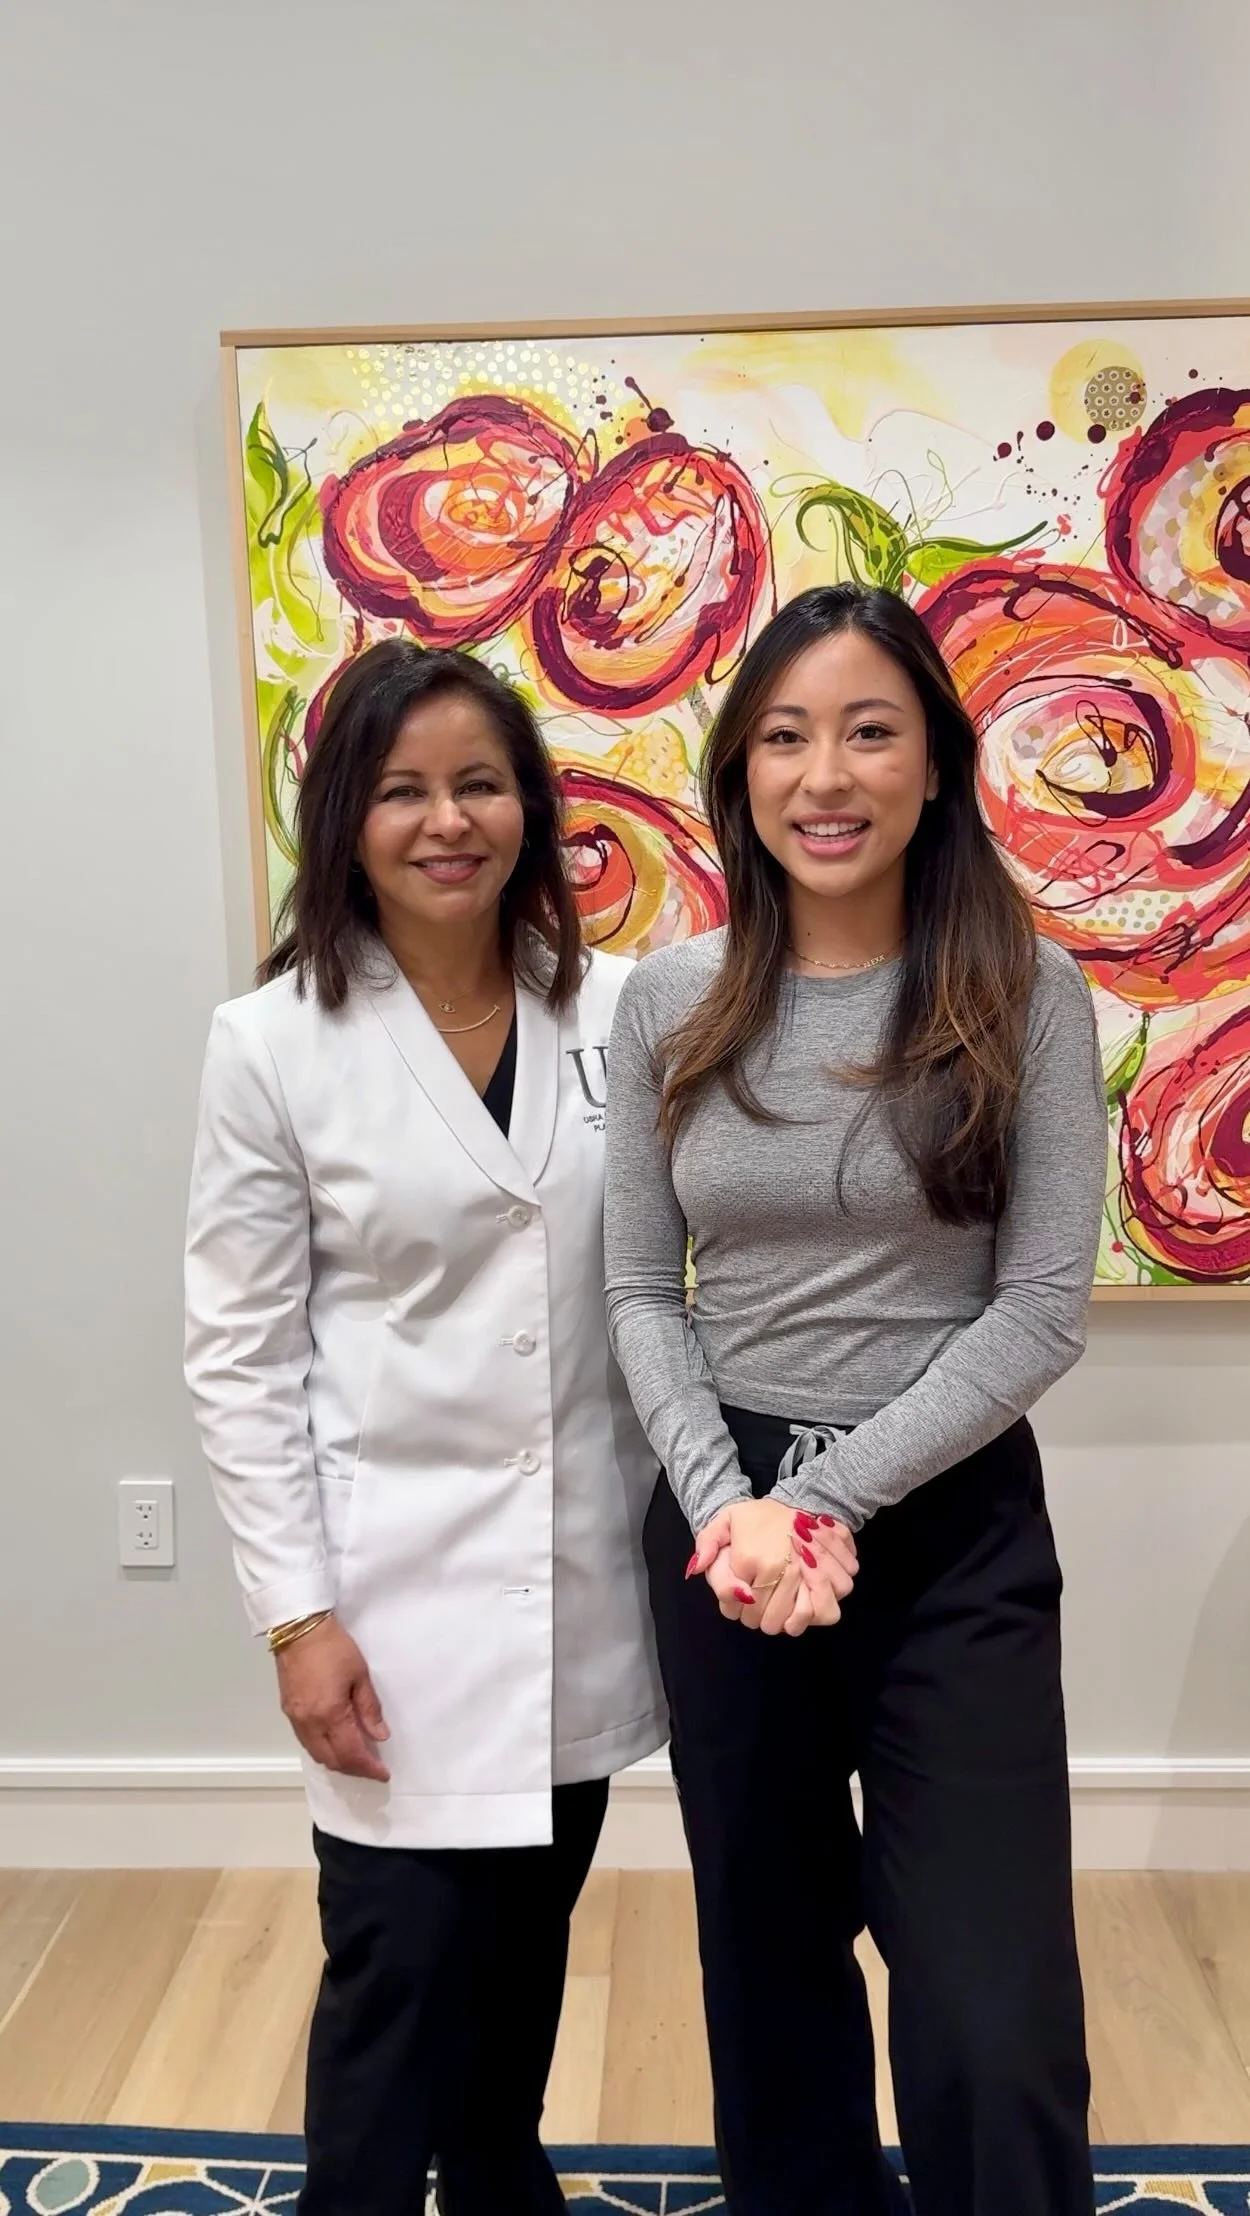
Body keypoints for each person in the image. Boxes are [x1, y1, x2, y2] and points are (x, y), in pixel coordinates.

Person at [603, 582, 1106, 2216]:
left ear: (933, 765)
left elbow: (1037, 1310)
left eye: (868, 732)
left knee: (989, 2011)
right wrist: (729, 1510)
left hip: (946, 1525)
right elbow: (639, 1289)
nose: (824, 776)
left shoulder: (1024, 990)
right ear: (740, 770)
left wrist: (823, 1501)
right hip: (726, 1531)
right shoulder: (668, 998)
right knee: (770, 1976)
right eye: (784, 737)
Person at [185, 639, 664, 2216]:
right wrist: (296, 1617)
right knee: (394, 1979)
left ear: (529, 807)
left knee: (522, 1960)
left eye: (478, 784)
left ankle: (504, 2182)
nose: (446, 821)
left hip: (578, 1579)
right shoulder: (272, 1043)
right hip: (386, 1601)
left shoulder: (622, 1012)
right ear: (347, 818)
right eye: (403, 790)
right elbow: (240, 1354)